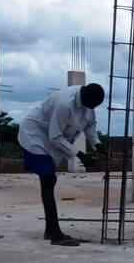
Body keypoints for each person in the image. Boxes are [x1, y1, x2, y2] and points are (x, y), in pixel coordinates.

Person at [18, 83, 106, 246]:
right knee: (48, 179)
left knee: (50, 180)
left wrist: (97, 144)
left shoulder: (88, 103)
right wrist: (80, 155)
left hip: (51, 137)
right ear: (85, 97)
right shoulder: (64, 104)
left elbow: (90, 124)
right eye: (92, 105)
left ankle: (50, 230)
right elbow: (55, 137)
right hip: (35, 135)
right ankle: (55, 234)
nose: (92, 109)